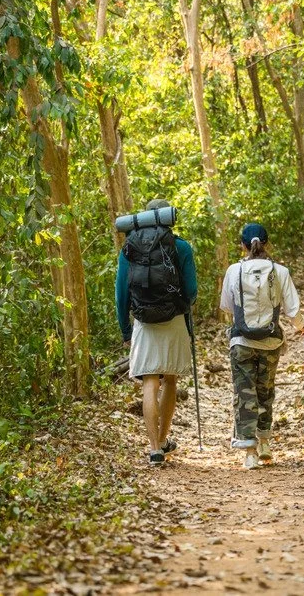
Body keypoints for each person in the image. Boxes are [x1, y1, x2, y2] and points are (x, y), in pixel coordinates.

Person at [220, 223, 304, 469]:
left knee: (244, 392)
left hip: (241, 341)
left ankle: (249, 451)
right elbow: (293, 311)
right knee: (265, 390)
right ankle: (264, 442)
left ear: (242, 245)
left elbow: (227, 307)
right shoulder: (280, 271)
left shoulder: (233, 271)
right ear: (267, 244)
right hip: (271, 341)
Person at [115, 198, 198, 466]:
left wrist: (126, 329)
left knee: (150, 382)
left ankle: (154, 449)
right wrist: (181, 308)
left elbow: (121, 293)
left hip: (144, 321)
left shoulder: (129, 248)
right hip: (173, 320)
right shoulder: (181, 246)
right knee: (170, 380)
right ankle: (163, 439)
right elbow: (192, 291)